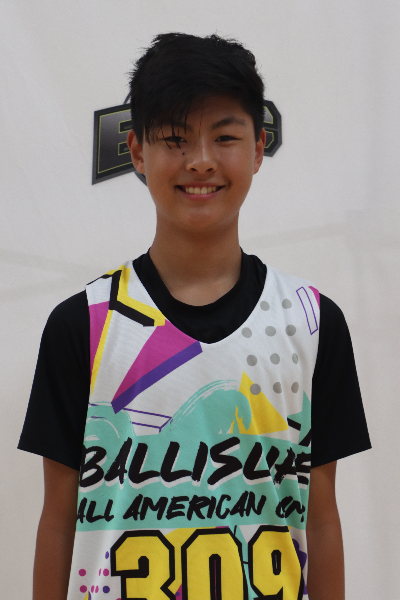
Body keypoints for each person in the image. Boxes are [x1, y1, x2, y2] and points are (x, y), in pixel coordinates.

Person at [19, 32, 371, 600]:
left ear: (258, 147)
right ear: (137, 152)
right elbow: (58, 520)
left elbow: (322, 518)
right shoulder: (81, 325)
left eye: (225, 137)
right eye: (175, 139)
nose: (201, 160)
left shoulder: (312, 323)